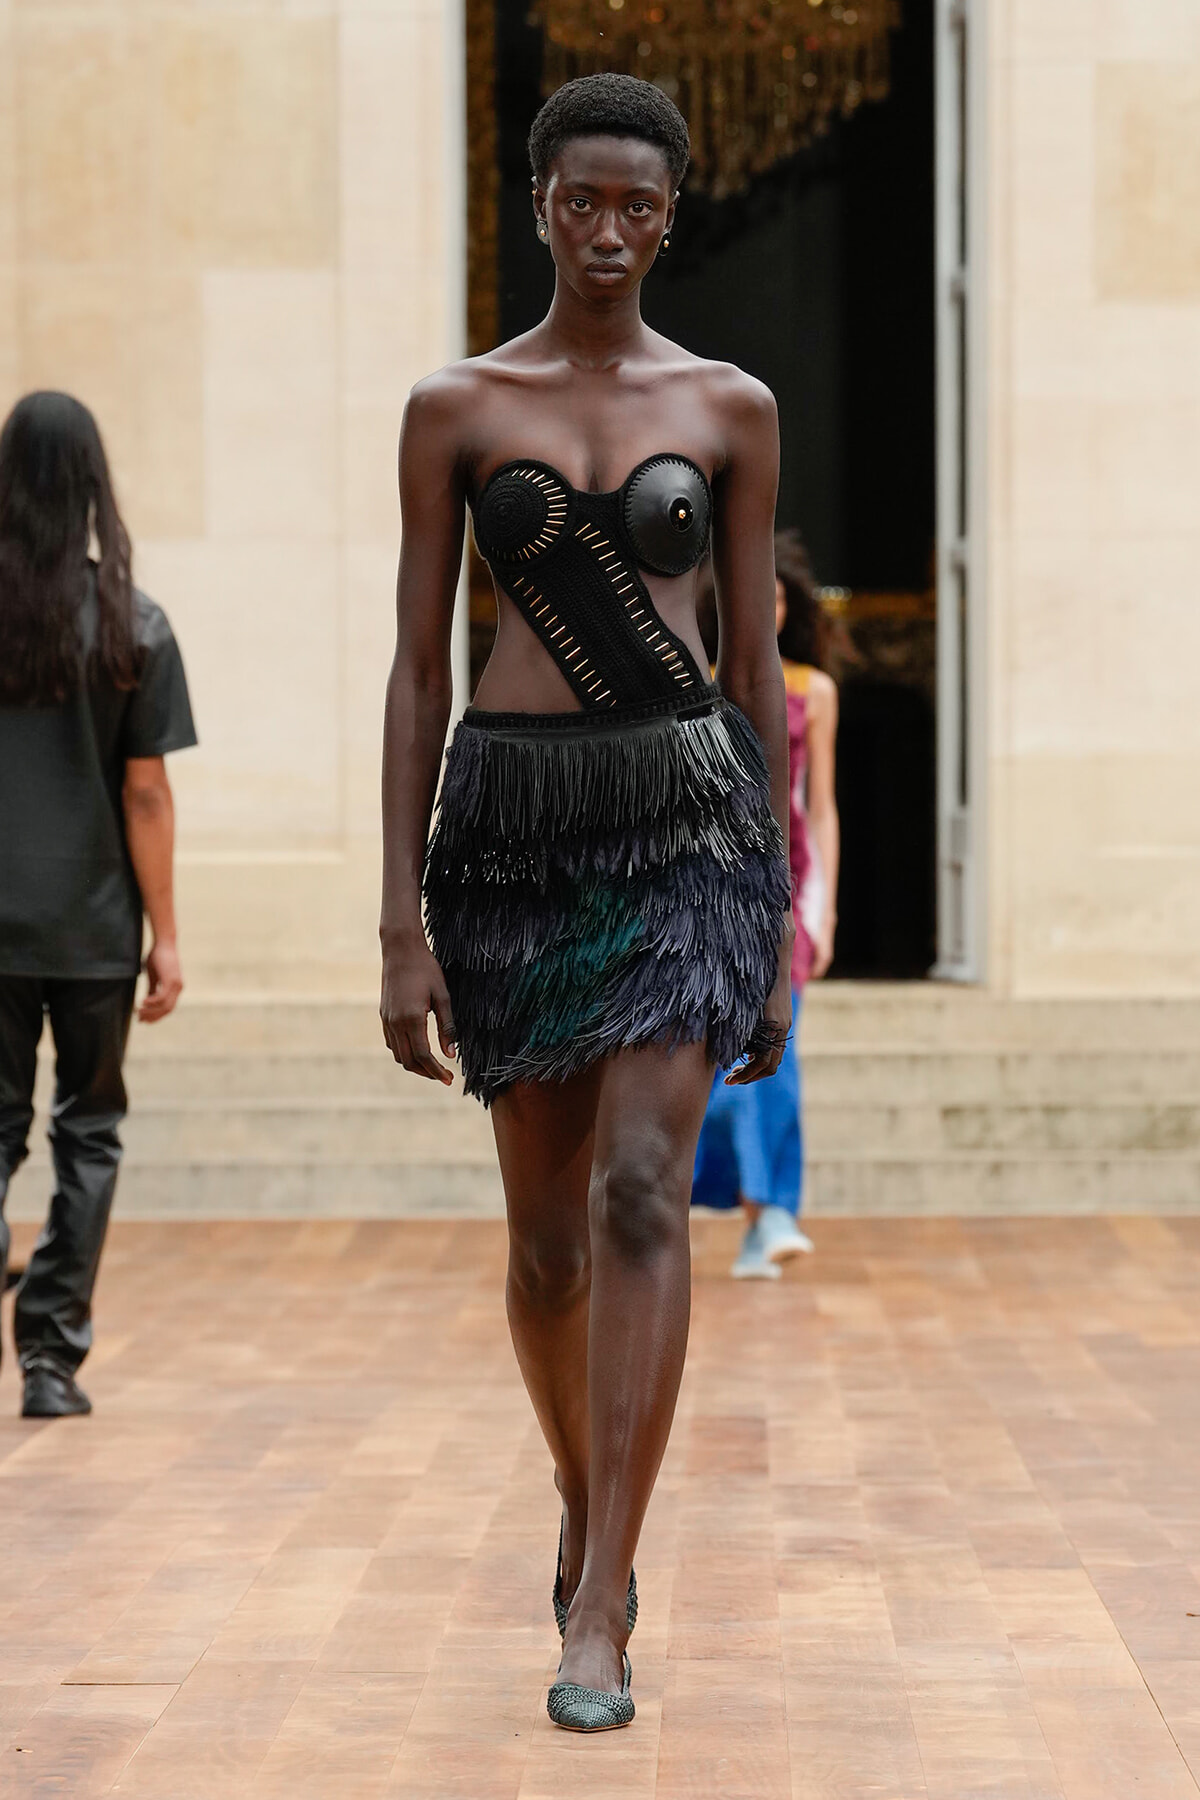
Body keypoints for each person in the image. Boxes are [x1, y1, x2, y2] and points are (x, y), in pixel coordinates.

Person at [379, 74, 792, 1732]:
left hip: (683, 824)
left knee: (641, 1191)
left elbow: (755, 665)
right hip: (509, 832)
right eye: (581, 202)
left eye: (639, 206)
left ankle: (605, 1597)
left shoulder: (735, 407)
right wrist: (400, 915)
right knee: (546, 1247)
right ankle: (582, 1488)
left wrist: (772, 902)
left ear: (670, 217)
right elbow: (417, 662)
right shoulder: (457, 406)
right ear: (540, 203)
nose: (609, 230)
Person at [0, 392, 196, 1419]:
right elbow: (147, 791)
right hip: (91, 926)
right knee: (88, 1132)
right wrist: (166, 937)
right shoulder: (131, 618)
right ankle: (48, 1361)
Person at [691, 530, 840, 1276]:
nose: (768, 608)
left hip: (789, 891)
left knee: (781, 1055)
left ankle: (772, 1211)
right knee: (718, 1073)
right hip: (711, 890)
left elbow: (823, 804)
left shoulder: (815, 690)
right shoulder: (698, 680)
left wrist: (826, 908)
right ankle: (733, 1202)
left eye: (778, 596)